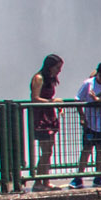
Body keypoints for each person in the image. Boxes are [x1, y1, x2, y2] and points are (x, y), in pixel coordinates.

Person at [73, 62, 101, 188]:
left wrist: (98, 100)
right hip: (91, 123)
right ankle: (78, 177)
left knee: (100, 150)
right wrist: (82, 117)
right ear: (98, 73)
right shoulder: (88, 83)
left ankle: (98, 176)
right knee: (87, 150)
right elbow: (77, 99)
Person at [28, 54, 63, 192]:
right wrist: (51, 102)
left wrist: (56, 105)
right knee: (46, 150)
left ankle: (46, 181)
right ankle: (38, 182)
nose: (59, 71)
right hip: (41, 116)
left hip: (49, 115)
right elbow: (35, 98)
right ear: (50, 66)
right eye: (57, 67)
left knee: (49, 150)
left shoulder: (50, 79)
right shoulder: (39, 78)